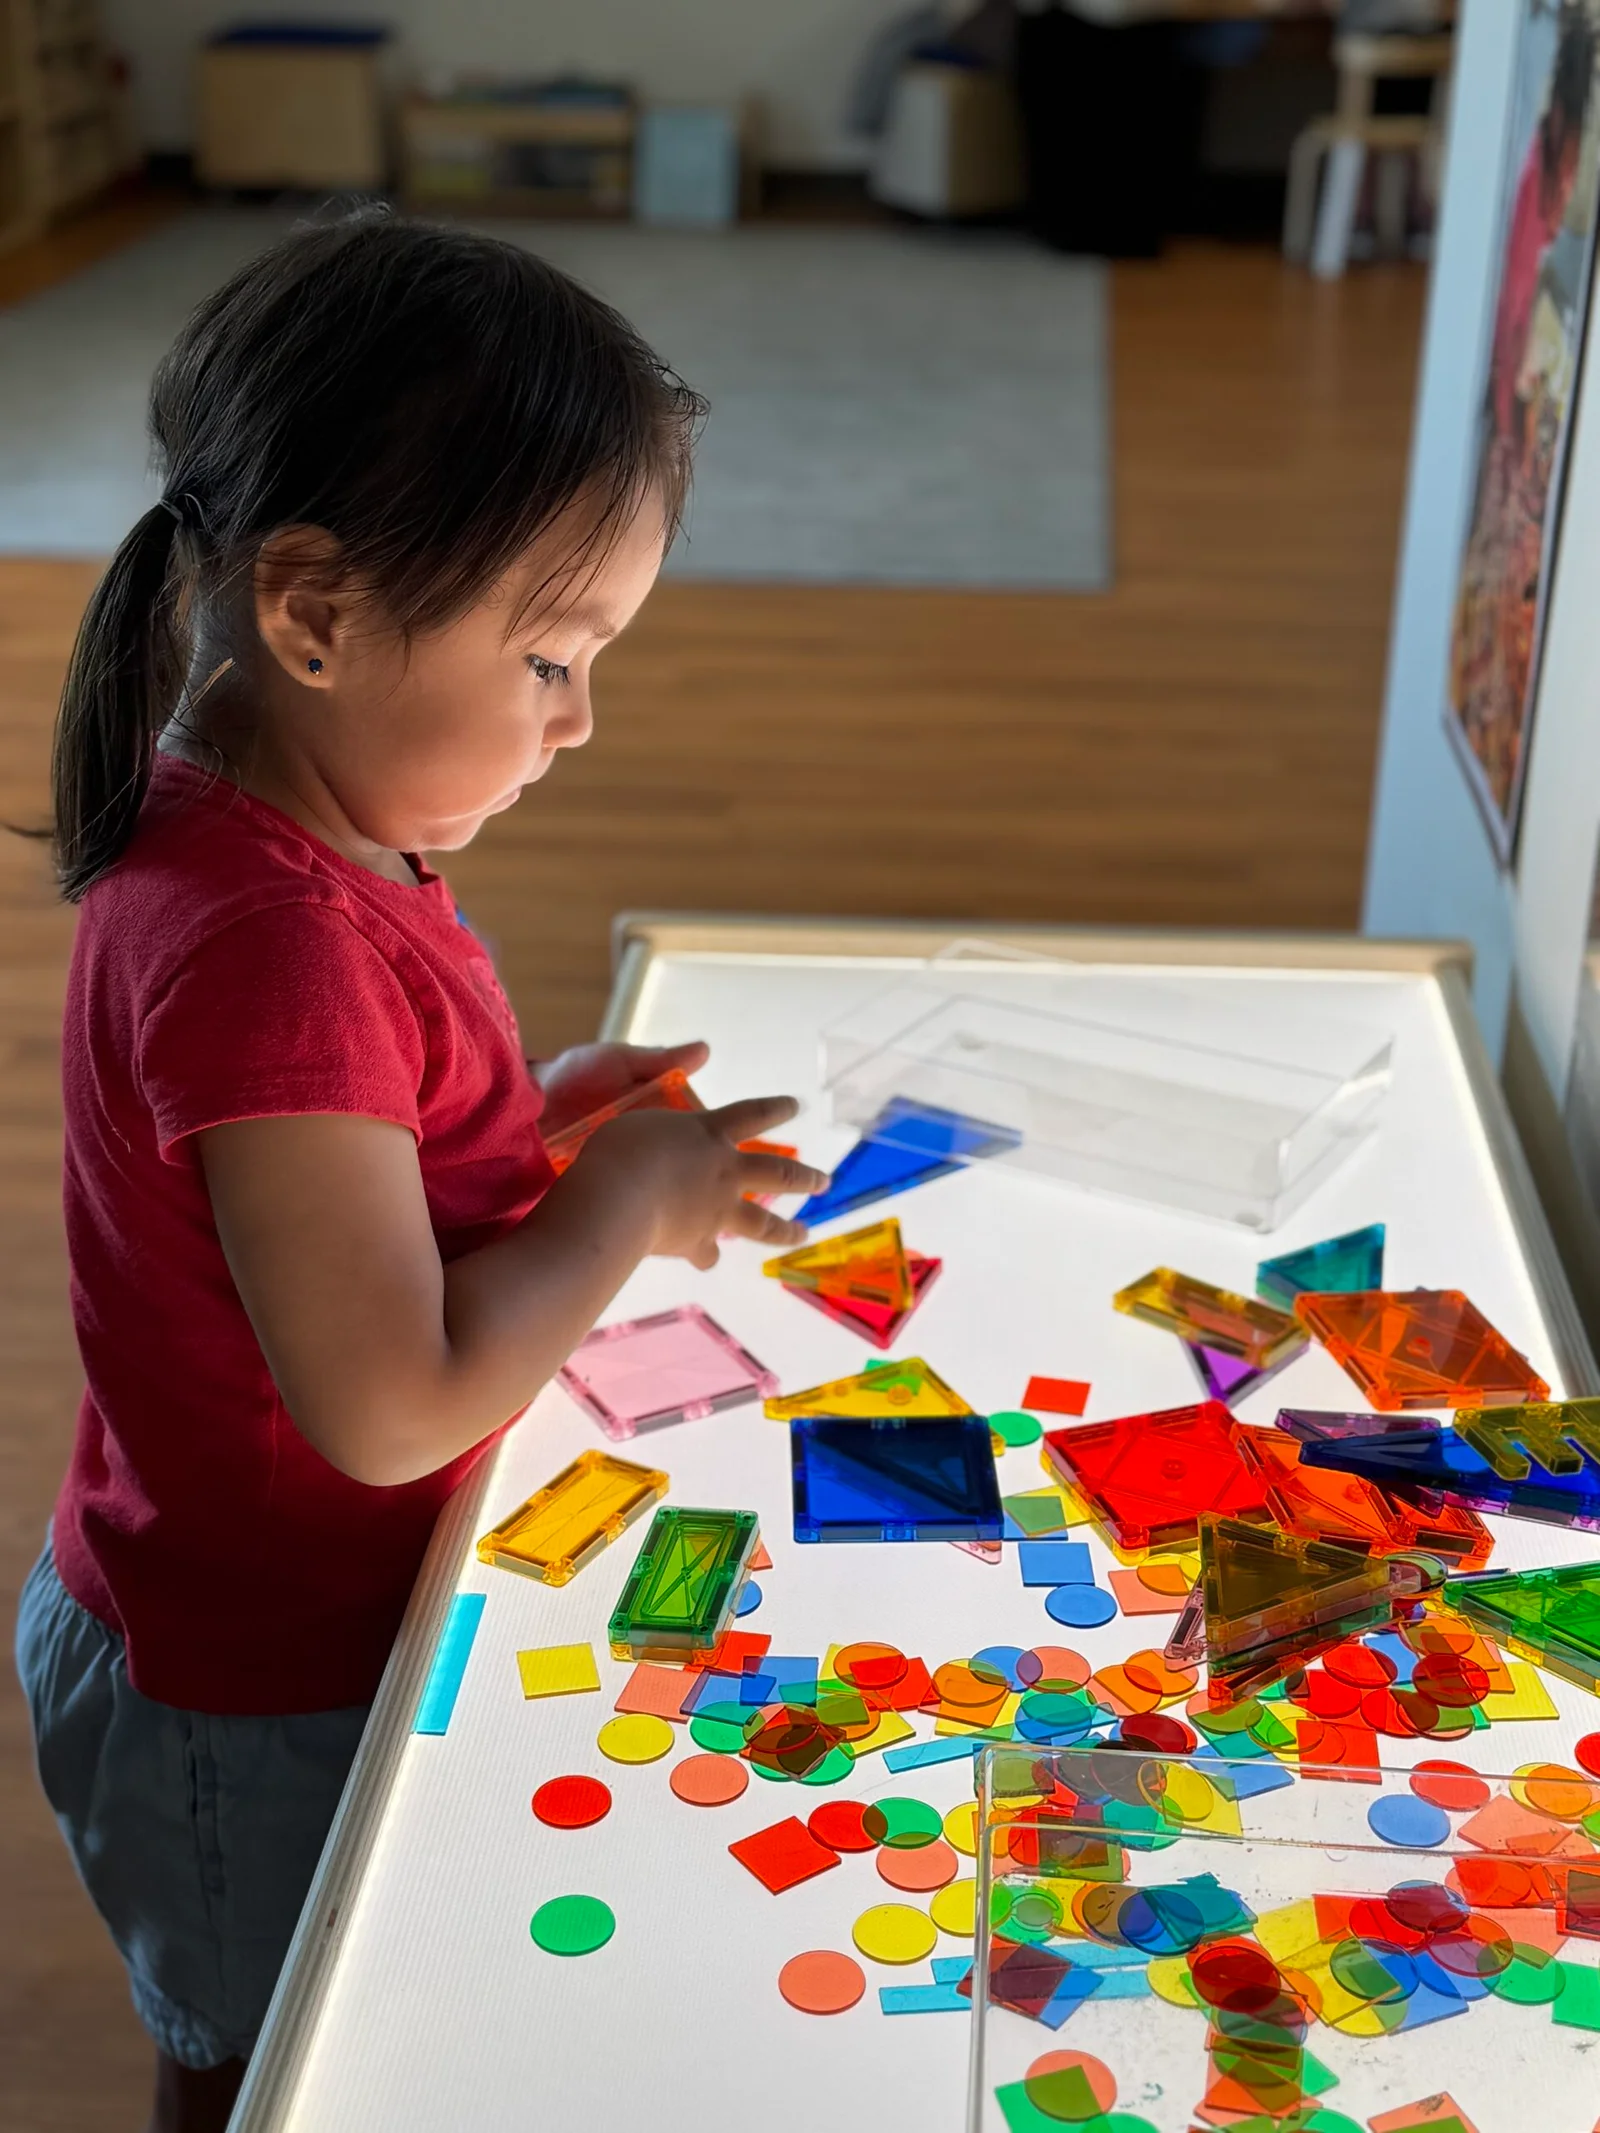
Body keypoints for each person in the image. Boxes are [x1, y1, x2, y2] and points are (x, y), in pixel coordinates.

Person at [14, 208, 827, 2133]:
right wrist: (613, 1211)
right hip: (249, 1687)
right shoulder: (268, 945)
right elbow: (383, 1408)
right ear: (311, 614)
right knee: (280, 2071)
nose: (582, 716)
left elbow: (310, 1175)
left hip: (256, 1625)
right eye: (549, 655)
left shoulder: (277, 844)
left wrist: (523, 1118)